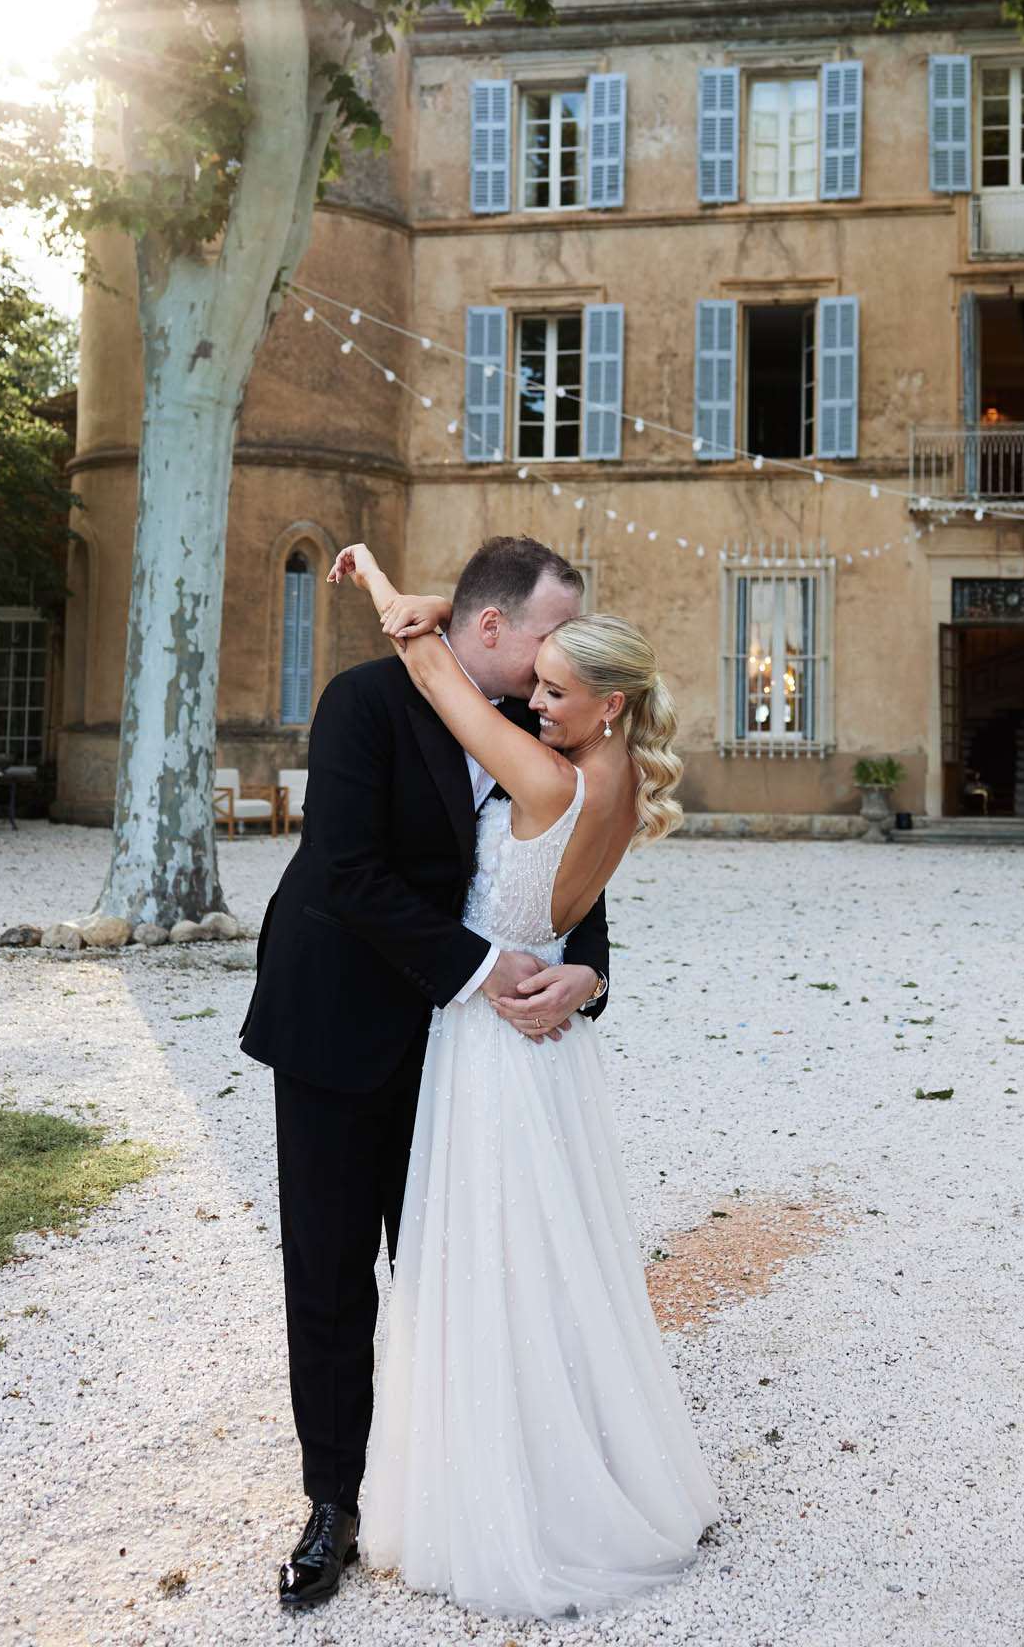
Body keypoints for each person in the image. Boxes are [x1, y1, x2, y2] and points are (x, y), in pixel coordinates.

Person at [334, 535, 719, 1621]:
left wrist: (377, 581)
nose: (536, 703)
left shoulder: (546, 777)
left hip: (489, 1043)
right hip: (549, 1051)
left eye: (556, 690)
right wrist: (586, 968)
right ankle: (566, 1463)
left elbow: (432, 671)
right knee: (553, 1266)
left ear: (607, 704)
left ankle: (507, 1501)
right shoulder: (624, 779)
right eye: (537, 683)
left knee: (485, 1265)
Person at [238, 536, 614, 1610]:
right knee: (329, 1271)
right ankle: (333, 1500)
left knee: (460, 1270)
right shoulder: (363, 702)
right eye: (551, 632)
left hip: (466, 1061)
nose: (565, 655)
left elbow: (575, 873)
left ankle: (461, 1486)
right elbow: (349, 872)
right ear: (489, 629)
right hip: (336, 1026)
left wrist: (587, 971)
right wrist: (493, 969)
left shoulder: (541, 725)